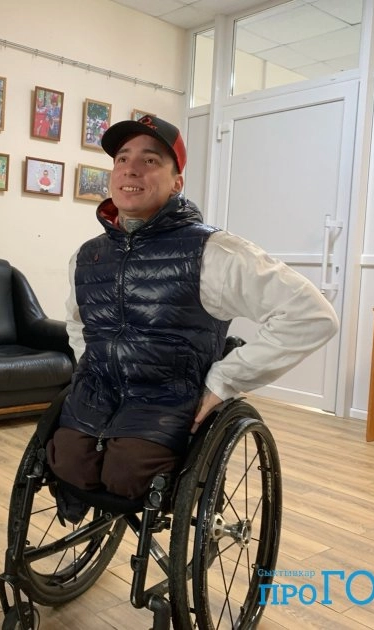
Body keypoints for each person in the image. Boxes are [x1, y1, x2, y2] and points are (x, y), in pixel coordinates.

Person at [46, 115, 338, 513]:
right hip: (98, 394)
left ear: (176, 182)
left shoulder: (215, 252)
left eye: (150, 160)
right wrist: (90, 365)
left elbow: (312, 316)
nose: (131, 168)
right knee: (65, 462)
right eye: (122, 159)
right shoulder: (88, 255)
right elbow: (79, 322)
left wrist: (224, 380)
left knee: (129, 473)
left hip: (168, 398)